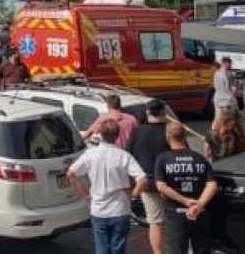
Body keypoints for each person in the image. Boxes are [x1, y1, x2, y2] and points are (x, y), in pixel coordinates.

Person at [68, 120, 148, 254]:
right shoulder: (124, 156)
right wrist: (133, 195)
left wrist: (86, 195)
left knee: (102, 248)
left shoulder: (90, 154)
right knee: (118, 248)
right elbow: (143, 178)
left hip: (98, 209)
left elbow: (71, 174)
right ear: (117, 136)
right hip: (120, 209)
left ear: (100, 134)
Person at [154, 122, 218, 254]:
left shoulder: (163, 159)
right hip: (199, 213)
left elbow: (161, 186)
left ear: (167, 137)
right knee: (201, 249)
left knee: (177, 249)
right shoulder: (200, 158)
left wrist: (185, 200)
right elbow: (212, 185)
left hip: (175, 213)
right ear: (185, 136)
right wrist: (199, 204)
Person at [127, 99, 171, 254]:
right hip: (170, 183)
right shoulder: (170, 130)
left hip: (148, 183)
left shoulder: (137, 131)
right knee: (173, 220)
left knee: (155, 222)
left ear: (147, 112)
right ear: (163, 111)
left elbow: (128, 156)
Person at [211, 57, 236, 122]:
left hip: (218, 98)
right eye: (230, 64)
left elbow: (214, 85)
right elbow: (233, 89)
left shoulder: (216, 73)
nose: (231, 65)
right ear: (225, 63)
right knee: (229, 119)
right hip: (227, 99)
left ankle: (215, 131)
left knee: (218, 117)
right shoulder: (230, 74)